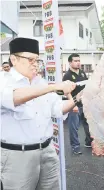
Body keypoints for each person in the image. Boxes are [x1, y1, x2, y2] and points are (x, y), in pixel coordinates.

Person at [1, 37, 82, 190]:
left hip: (47, 151)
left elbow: (58, 109)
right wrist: (53, 87)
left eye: (37, 60)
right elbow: (14, 97)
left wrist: (78, 98)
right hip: (17, 156)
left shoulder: (41, 83)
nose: (35, 65)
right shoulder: (3, 80)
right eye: (31, 60)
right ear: (14, 59)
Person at [63, 53, 93, 154]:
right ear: (70, 62)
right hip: (74, 104)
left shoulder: (82, 73)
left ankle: (89, 142)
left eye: (79, 61)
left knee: (87, 123)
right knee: (74, 126)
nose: (78, 63)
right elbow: (66, 92)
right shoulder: (67, 76)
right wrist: (73, 104)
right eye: (75, 61)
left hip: (84, 103)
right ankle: (75, 146)